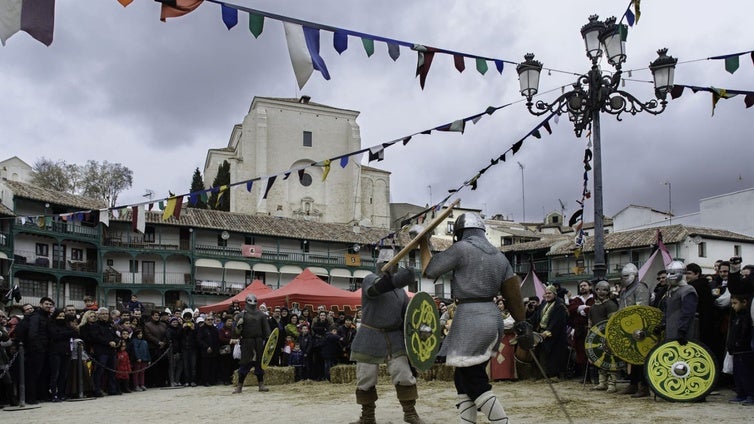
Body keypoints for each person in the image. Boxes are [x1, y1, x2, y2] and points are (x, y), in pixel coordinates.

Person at [424, 213, 530, 424]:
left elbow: (430, 270)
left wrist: (422, 244)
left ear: (460, 233)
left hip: (471, 318)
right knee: (462, 377)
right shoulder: (499, 256)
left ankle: (502, 422)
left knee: (473, 379)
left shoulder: (462, 248)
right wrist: (522, 322)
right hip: (491, 317)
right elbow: (512, 294)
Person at [349, 249, 424, 424]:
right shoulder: (369, 279)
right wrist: (397, 279)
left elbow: (409, 317)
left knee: (404, 374)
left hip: (394, 337)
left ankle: (410, 413)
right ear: (380, 265)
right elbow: (377, 288)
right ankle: (367, 416)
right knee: (366, 377)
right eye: (390, 264)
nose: (393, 267)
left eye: (396, 264)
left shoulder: (401, 293)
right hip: (370, 335)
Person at [616, 263, 650, 398]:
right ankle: (633, 383)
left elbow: (642, 308)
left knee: (641, 358)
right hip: (627, 327)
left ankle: (644, 386)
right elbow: (621, 308)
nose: (624, 279)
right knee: (629, 358)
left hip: (639, 328)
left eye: (626, 276)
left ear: (634, 276)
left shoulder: (641, 287)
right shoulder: (624, 291)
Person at [232, 294, 271, 393]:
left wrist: (269, 342)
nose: (253, 304)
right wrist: (239, 326)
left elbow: (267, 332)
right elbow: (235, 334)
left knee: (259, 364)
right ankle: (239, 386)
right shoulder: (241, 315)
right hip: (247, 342)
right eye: (250, 302)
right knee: (245, 363)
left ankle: (261, 385)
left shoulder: (261, 315)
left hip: (258, 341)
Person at [656, 261, 698, 345]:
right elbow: (667, 310)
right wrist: (663, 324)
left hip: (683, 333)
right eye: (668, 273)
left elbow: (687, 313)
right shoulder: (671, 290)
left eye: (671, 273)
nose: (668, 276)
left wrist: (682, 331)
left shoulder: (688, 290)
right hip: (670, 329)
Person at [588, 280, 619, 392]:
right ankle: (602, 382)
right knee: (599, 359)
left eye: (605, 290)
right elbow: (590, 324)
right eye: (599, 289)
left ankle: (612, 383)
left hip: (609, 336)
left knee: (611, 361)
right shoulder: (592, 307)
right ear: (595, 290)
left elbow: (613, 322)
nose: (601, 292)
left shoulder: (611, 304)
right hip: (597, 337)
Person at [23, 296, 54, 404]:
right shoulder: (36, 316)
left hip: (45, 349)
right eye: (46, 304)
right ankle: (30, 398)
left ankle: (42, 395)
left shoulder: (47, 317)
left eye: (50, 304)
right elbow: (33, 334)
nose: (48, 306)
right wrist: (39, 348)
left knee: (44, 374)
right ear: (41, 304)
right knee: (34, 374)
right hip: (37, 350)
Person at [535, 285, 569, 379]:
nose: (547, 295)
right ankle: (544, 374)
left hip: (555, 335)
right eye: (546, 293)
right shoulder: (543, 304)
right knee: (543, 354)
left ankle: (554, 375)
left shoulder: (560, 305)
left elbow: (557, 322)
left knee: (554, 355)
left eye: (549, 293)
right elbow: (537, 317)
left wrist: (547, 332)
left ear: (555, 293)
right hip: (542, 332)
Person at [726, 294, 754, 404]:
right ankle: (741, 393)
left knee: (746, 374)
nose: (733, 306)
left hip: (744, 350)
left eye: (735, 303)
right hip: (736, 351)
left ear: (744, 303)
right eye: (732, 303)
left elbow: (744, 333)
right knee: (738, 374)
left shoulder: (746, 317)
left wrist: (739, 343)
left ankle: (750, 395)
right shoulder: (737, 316)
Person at [48, 308, 77, 402]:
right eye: (59, 316)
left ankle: (61, 393)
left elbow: (74, 332)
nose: (61, 318)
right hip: (55, 352)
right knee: (55, 374)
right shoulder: (51, 324)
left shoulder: (66, 325)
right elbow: (55, 335)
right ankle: (53, 394)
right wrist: (66, 334)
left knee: (63, 374)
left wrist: (62, 334)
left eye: (63, 316)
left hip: (66, 351)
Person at [567, 280, 594, 381]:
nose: (582, 287)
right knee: (581, 352)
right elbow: (570, 309)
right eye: (581, 286)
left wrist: (587, 310)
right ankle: (585, 376)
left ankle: (594, 376)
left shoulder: (594, 298)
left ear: (590, 287)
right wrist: (579, 308)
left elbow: (595, 308)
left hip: (591, 329)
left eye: (585, 285)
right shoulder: (577, 299)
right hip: (579, 330)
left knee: (592, 351)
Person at [684, 263, 714, 350]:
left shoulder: (698, 287)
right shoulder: (694, 286)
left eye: (689, 273)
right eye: (685, 273)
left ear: (697, 274)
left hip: (698, 324)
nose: (686, 276)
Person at [489, 298, 517, 381]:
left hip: (508, 337)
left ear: (505, 304)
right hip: (496, 338)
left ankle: (508, 375)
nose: (499, 305)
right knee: (496, 357)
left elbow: (511, 323)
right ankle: (497, 376)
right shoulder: (494, 314)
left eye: (501, 304)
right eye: (498, 304)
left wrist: (499, 324)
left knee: (507, 356)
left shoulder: (510, 313)